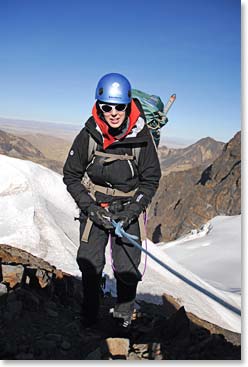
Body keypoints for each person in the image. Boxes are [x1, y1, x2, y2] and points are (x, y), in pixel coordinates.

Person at [63, 73, 161, 332]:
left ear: (128, 105)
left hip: (128, 207)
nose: (114, 113)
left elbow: (151, 179)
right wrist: (91, 209)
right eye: (107, 106)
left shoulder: (142, 136)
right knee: (89, 263)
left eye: (120, 106)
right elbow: (71, 175)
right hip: (95, 206)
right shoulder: (89, 134)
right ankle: (90, 316)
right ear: (98, 105)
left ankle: (123, 316)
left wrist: (131, 213)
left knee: (128, 268)